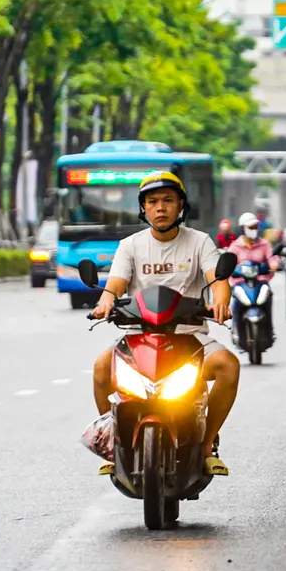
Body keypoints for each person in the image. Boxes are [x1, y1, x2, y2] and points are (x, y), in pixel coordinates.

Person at [90, 172, 238, 477]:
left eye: (168, 201)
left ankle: (207, 444)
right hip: (138, 336)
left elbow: (218, 279)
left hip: (189, 335)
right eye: (153, 202)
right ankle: (114, 443)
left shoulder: (200, 242)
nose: (160, 208)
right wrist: (106, 301)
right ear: (143, 208)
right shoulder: (130, 245)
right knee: (101, 368)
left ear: (181, 205)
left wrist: (221, 302)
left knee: (229, 366)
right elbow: (115, 283)